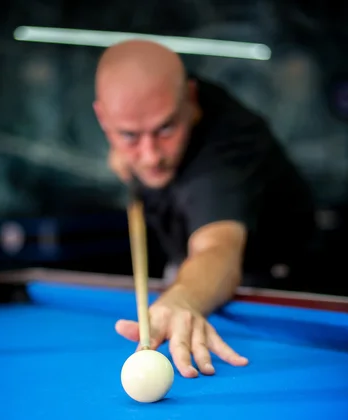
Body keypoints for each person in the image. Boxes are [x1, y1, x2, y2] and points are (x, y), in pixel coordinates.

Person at [93, 39, 315, 378]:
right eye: (130, 135)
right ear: (103, 120)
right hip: (188, 263)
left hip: (279, 286)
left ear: (191, 100)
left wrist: (182, 298)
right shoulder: (142, 118)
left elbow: (218, 248)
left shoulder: (226, 151)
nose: (151, 155)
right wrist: (123, 152)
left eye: (165, 127)